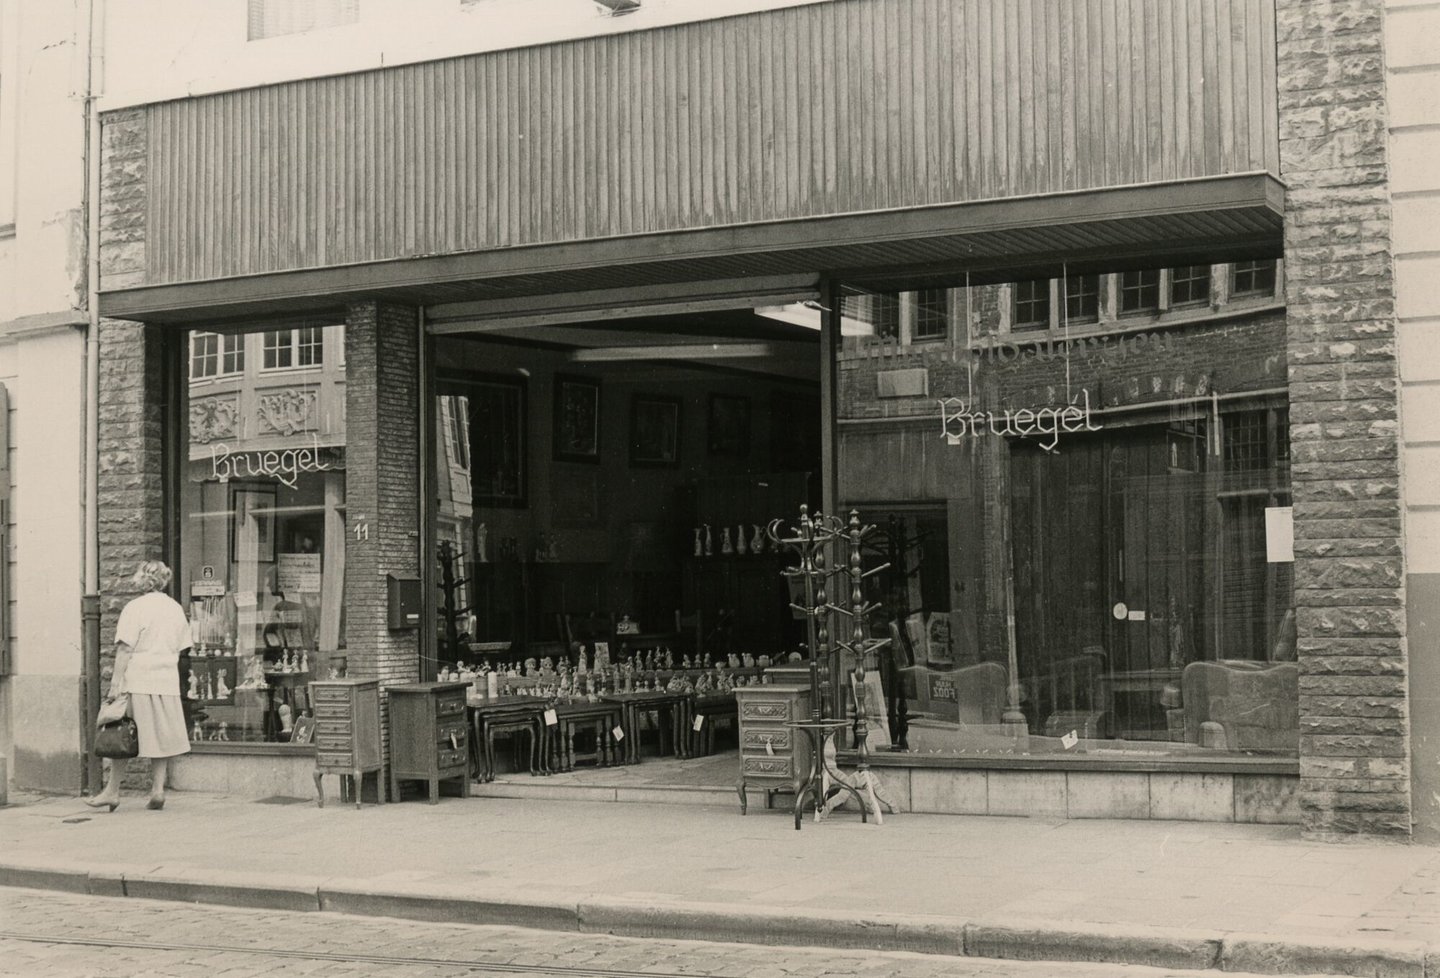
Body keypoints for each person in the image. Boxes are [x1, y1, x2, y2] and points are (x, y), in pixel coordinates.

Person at [87, 559, 193, 811]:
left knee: (121, 733)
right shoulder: (175, 608)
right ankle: (157, 790)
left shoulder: (135, 608)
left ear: (143, 579)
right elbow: (182, 646)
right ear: (164, 580)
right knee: (162, 736)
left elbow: (125, 648)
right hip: (166, 681)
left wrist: (115, 684)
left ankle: (112, 791)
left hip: (138, 680)